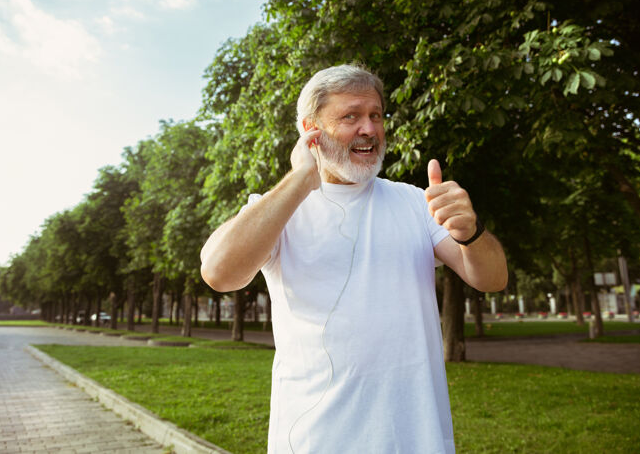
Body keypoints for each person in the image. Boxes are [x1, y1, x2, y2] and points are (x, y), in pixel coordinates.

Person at [200, 64, 508, 453]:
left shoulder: (415, 202)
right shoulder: (277, 209)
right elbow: (218, 272)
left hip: (416, 439)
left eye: (375, 116)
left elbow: (492, 279)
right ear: (310, 128)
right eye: (351, 116)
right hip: (316, 441)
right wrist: (300, 178)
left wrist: (470, 233)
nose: (369, 129)